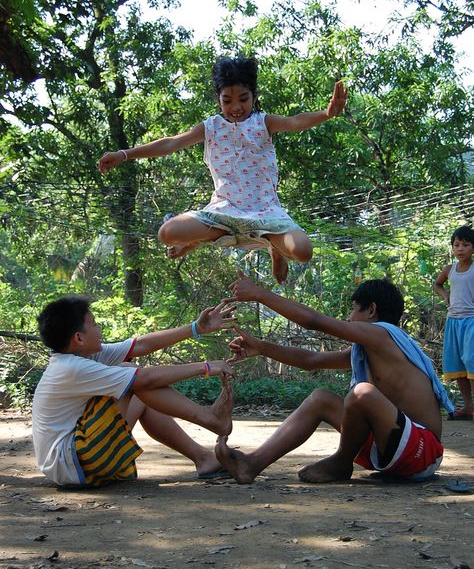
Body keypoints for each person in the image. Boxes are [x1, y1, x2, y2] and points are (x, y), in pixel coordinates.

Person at [98, 56, 347, 283]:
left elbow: (295, 122)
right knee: (167, 233)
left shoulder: (264, 123)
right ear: (218, 98)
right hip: (224, 211)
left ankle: (274, 246)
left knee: (303, 252)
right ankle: (198, 239)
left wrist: (326, 113)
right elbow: (171, 143)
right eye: (227, 100)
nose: (236, 107)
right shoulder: (211, 128)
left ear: (254, 96)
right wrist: (124, 154)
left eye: (243, 99)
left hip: (266, 213)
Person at [215, 272, 454, 484]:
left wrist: (260, 294)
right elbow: (311, 361)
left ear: (371, 310)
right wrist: (261, 347)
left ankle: (342, 461)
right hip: (391, 450)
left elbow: (314, 322)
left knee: (362, 393)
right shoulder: (369, 348)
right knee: (321, 399)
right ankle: (252, 464)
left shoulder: (383, 335)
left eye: (353, 309)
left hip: (423, 454)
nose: (349, 318)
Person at [32, 295, 236, 487]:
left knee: (138, 390)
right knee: (131, 376)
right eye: (94, 323)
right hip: (72, 462)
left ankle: (204, 459)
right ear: (78, 338)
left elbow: (140, 345)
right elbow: (145, 378)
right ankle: (209, 417)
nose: (99, 327)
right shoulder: (70, 367)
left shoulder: (84, 356)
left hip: (74, 462)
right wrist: (205, 367)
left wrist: (196, 328)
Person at [433, 225, 474, 420]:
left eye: (465, 245)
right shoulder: (449, 270)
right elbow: (437, 284)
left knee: (471, 361)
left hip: (472, 320)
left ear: (473, 248)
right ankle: (467, 407)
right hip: (453, 321)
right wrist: (446, 296)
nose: (460, 249)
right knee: (457, 364)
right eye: (456, 245)